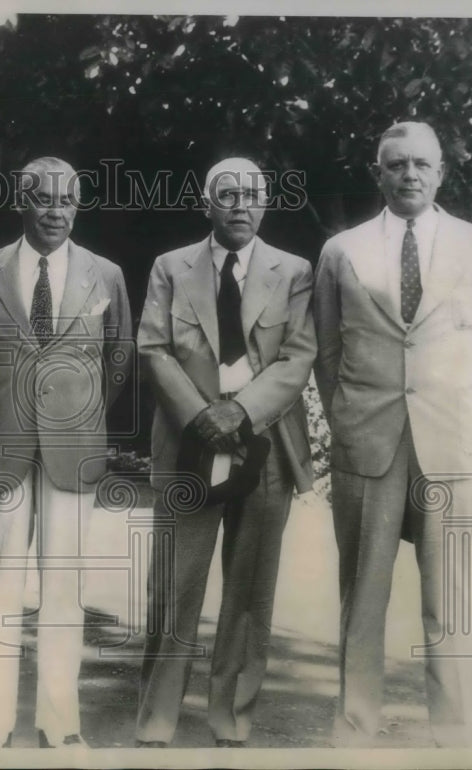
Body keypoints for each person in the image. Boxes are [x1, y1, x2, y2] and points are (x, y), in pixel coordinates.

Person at [313, 121, 472, 747]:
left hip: (451, 443)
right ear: (378, 172)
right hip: (367, 441)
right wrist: (347, 419)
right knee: (362, 597)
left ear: (441, 172)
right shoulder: (342, 250)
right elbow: (326, 352)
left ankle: (455, 734)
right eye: (396, 164)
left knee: (450, 600)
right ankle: (356, 726)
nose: (410, 175)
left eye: (421, 164)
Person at [135, 156, 316, 748]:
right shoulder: (171, 268)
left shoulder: (293, 271)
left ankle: (230, 715)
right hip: (190, 446)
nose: (241, 205)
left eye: (252, 195)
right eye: (228, 194)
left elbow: (296, 357)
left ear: (265, 204)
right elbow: (155, 348)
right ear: (206, 204)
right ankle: (157, 717)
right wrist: (202, 415)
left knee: (249, 588)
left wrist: (240, 411)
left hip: (263, 445)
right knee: (174, 585)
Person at [0, 157, 132, 749]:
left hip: (73, 449)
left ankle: (60, 724)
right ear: (22, 202)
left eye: (66, 199)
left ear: (78, 204)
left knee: (65, 589)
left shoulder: (105, 274)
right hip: (1, 448)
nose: (55, 210)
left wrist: (77, 415)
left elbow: (118, 359)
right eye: (43, 198)